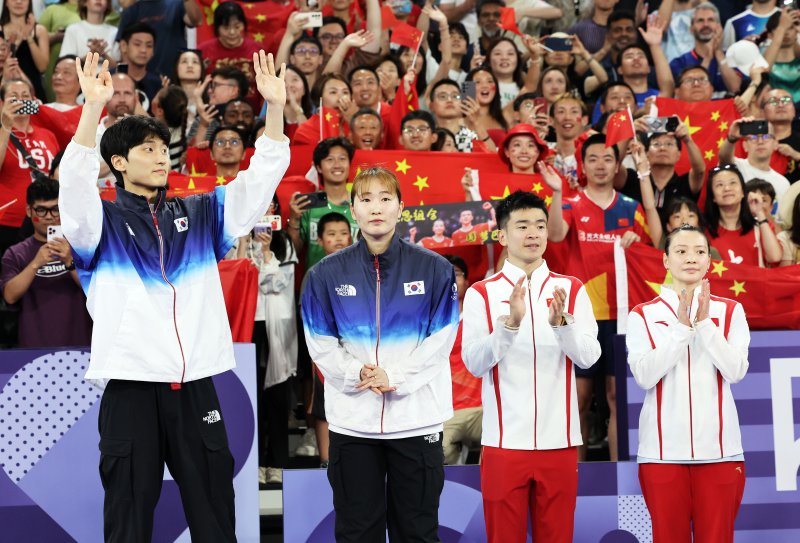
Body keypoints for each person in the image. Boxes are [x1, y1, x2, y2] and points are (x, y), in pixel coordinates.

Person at [59, 51, 289, 541]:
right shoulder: (100, 222)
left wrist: (276, 113)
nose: (161, 156)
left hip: (196, 386)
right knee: (127, 516)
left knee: (214, 515)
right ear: (118, 163)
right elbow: (74, 186)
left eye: (163, 148)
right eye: (147, 149)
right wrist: (91, 109)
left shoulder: (201, 215)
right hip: (131, 387)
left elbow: (256, 184)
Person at [301, 166, 459, 542]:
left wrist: (396, 376)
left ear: (401, 208)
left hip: (417, 419)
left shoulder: (435, 269)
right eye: (366, 199)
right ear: (353, 208)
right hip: (352, 424)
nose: (376, 208)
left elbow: (441, 339)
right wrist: (357, 373)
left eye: (385, 199)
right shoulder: (323, 275)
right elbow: (319, 342)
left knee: (418, 532)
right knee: (357, 532)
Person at [462, 189, 600, 542]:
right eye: (522, 226)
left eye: (540, 225)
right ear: (502, 236)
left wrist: (562, 325)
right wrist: (509, 326)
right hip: (504, 443)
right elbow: (474, 363)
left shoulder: (570, 288)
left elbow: (589, 356)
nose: (534, 234)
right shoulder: (482, 292)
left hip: (560, 441)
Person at [627, 225, 749, 543]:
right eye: (681, 251)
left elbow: (736, 371)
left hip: (721, 454)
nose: (690, 258)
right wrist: (681, 329)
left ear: (709, 260)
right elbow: (644, 375)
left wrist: (705, 325)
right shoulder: (642, 315)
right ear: (666, 260)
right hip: (662, 455)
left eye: (698, 251)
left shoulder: (731, 311)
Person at [547, 133, 655, 462]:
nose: (600, 165)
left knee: (615, 396)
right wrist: (555, 191)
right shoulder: (570, 203)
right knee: (577, 398)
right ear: (582, 164)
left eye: (607, 158)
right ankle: (575, 475)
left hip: (621, 316)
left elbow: (658, 242)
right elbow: (554, 234)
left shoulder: (628, 207)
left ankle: (618, 471)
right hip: (579, 316)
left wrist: (638, 236)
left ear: (616, 164)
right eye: (592, 158)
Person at [231, 195, 298, 486]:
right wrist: (244, 243)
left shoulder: (283, 243)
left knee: (276, 396)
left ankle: (278, 462)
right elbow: (231, 277)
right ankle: (254, 462)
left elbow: (277, 283)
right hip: (244, 325)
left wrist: (266, 251)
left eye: (269, 205)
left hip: (275, 327)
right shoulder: (233, 239)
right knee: (250, 396)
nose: (263, 209)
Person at [1, 177, 92, 347]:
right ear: (29, 211)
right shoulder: (15, 253)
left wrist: (70, 261)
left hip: (80, 346)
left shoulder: (82, 246)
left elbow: (96, 291)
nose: (49, 217)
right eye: (41, 210)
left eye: (55, 210)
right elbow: (10, 296)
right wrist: (35, 263)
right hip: (31, 350)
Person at [300, 211, 354, 470]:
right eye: (331, 235)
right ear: (320, 240)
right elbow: (309, 319)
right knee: (323, 404)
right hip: (326, 350)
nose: (339, 239)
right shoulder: (314, 274)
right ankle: (326, 461)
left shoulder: (363, 267)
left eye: (344, 233)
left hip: (358, 348)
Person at [0, 78, 61, 255]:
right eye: (14, 97)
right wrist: (5, 125)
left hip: (45, 222)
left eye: (25, 96)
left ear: (34, 101)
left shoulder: (48, 135)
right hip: (7, 222)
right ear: (2, 103)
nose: (21, 100)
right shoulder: (1, 133)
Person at [286, 137, 358, 268]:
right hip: (316, 284)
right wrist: (294, 219)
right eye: (330, 159)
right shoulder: (307, 205)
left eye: (342, 159)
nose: (337, 165)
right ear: (318, 167)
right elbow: (293, 253)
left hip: (355, 283)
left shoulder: (361, 205)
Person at [441, 254, 481, 465]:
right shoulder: (430, 324)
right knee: (439, 449)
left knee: (504, 441)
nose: (450, 279)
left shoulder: (482, 317)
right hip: (448, 410)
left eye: (455, 274)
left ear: (466, 281)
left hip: (482, 408)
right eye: (444, 275)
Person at [704, 164, 782, 267]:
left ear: (743, 192)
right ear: (713, 197)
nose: (727, 188)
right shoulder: (704, 232)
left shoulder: (761, 227)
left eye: (733, 183)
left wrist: (759, 212)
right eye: (719, 185)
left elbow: (775, 257)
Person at [198, 1, 262, 111]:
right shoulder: (203, 51)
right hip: (212, 112)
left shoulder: (257, 51)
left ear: (243, 25)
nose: (232, 32)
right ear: (217, 28)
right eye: (226, 28)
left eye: (237, 26)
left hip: (252, 113)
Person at [115, 0, 203, 76]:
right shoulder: (132, 9)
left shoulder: (176, 3)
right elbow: (123, 48)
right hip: (142, 77)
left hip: (174, 75)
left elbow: (196, 21)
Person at [60, 0, 119, 69]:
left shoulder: (115, 32)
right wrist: (91, 54)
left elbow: (118, 67)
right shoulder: (73, 29)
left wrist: (104, 54)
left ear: (108, 4)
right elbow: (65, 64)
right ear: (84, 2)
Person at [118, 22, 161, 109]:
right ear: (123, 46)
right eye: (137, 44)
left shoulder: (158, 85)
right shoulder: (107, 78)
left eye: (149, 46)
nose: (143, 50)